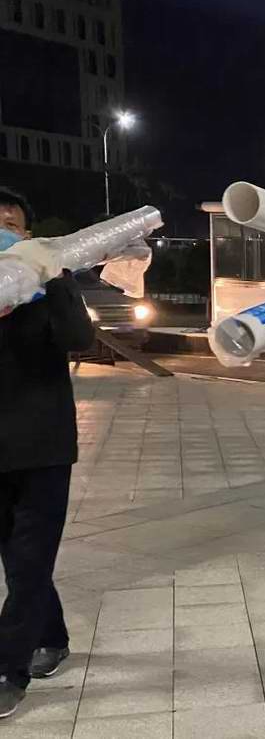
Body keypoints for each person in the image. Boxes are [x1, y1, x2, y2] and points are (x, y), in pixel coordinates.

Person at [0, 188, 95, 717]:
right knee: (19, 562)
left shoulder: (50, 284)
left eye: (11, 223)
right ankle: (52, 638)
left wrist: (54, 275)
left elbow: (79, 338)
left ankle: (7, 670)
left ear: (28, 236)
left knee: (30, 561)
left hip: (43, 448)